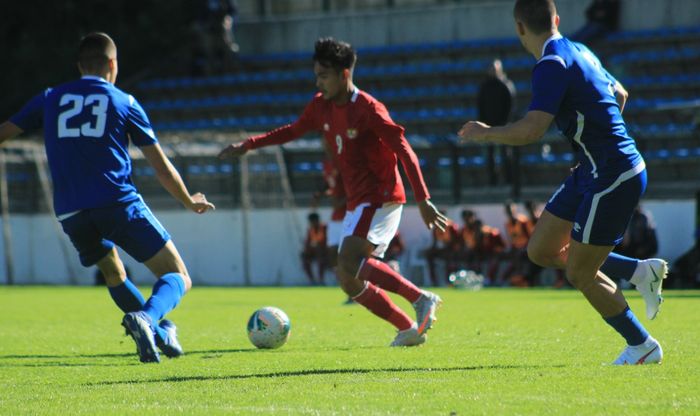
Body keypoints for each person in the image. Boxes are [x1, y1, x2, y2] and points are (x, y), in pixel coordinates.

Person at [458, 0, 667, 365]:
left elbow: (531, 130)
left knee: (579, 272)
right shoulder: (580, 49)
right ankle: (637, 271)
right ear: (556, 19)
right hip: (593, 168)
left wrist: (485, 133)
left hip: (613, 173)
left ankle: (642, 345)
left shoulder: (551, 64)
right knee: (540, 250)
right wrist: (592, 147)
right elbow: (620, 95)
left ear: (520, 28)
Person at [0, 32, 215, 363]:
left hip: (71, 213)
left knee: (114, 274)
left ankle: (158, 333)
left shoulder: (49, 97)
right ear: (113, 64)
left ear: (79, 66)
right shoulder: (124, 102)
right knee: (178, 276)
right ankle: (148, 319)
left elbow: (4, 133)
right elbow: (161, 167)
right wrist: (189, 200)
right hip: (117, 203)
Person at [219, 37, 447, 347]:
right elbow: (292, 130)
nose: (318, 82)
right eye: (316, 75)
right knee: (346, 278)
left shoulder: (368, 108)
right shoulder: (320, 105)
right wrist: (249, 144)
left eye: (323, 75)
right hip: (358, 200)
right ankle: (407, 328)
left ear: (344, 74)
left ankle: (420, 298)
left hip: (380, 195)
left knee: (351, 260)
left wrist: (423, 198)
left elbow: (404, 150)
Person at [477, 59, 517, 187]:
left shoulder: (506, 85)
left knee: (506, 153)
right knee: (490, 155)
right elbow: (480, 105)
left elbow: (511, 106)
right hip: (488, 126)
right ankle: (492, 181)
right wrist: (483, 124)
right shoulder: (484, 87)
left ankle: (509, 181)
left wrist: (506, 123)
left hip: (503, 125)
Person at [425, 213, 462, 286]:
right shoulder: (436, 228)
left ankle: (450, 281)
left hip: (451, 250)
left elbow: (456, 242)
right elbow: (435, 243)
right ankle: (434, 281)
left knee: (450, 260)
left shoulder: (451, 227)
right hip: (441, 250)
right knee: (429, 256)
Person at [301, 212, 328, 285]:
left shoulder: (324, 228)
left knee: (321, 258)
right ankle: (312, 280)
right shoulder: (310, 230)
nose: (311, 223)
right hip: (314, 252)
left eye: (312, 221)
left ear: (317, 220)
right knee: (304, 257)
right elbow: (307, 242)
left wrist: (318, 245)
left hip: (324, 252)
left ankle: (321, 280)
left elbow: (327, 241)